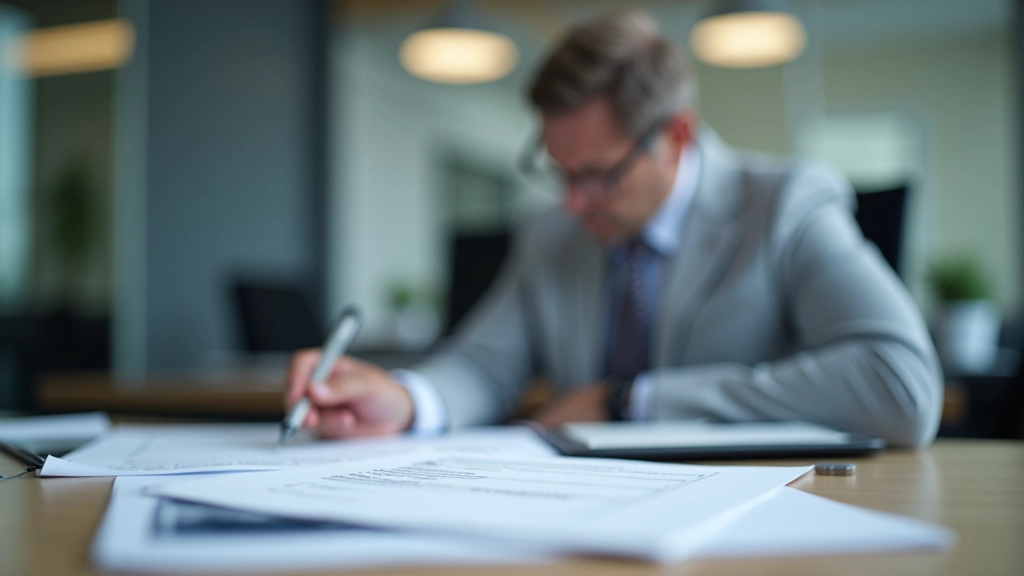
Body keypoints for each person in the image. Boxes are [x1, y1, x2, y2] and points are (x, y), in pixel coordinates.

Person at [285, 10, 943, 447]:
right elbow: (485, 365)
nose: (574, 202)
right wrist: (404, 400)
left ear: (677, 135)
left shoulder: (785, 203)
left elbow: (899, 383)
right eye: (559, 172)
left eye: (599, 174)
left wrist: (633, 401)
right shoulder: (551, 231)